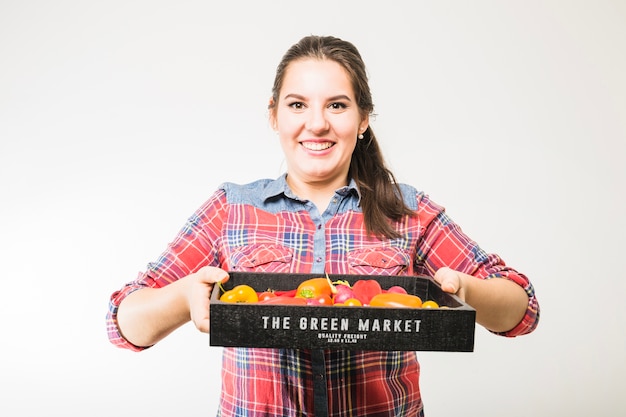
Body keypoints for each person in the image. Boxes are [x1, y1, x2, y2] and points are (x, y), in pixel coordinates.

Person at [107, 35, 540, 416]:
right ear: (275, 116)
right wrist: (184, 297)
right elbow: (123, 322)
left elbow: (522, 310)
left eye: (337, 105)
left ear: (363, 119)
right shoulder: (231, 209)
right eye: (298, 105)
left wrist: (465, 291)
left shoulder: (408, 210)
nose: (317, 123)